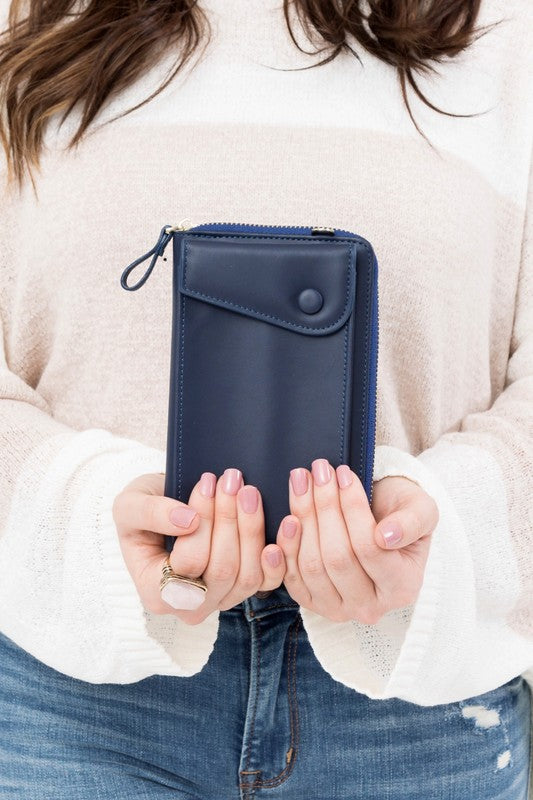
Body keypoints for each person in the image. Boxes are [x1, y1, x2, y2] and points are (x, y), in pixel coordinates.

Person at [0, 0, 531, 797]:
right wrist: (76, 514)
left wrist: (448, 525)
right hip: (67, 697)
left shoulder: (509, 31)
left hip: (422, 711)